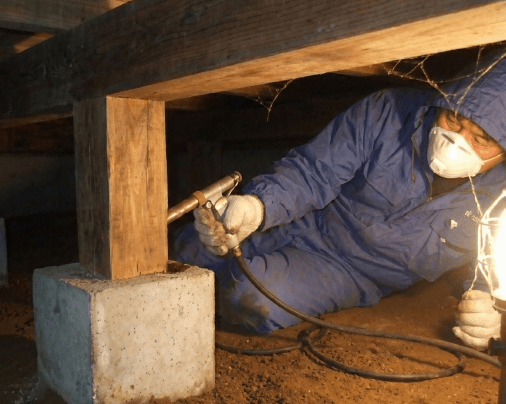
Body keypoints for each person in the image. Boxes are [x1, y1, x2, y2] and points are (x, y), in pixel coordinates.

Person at [173, 51, 506, 349]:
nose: (456, 141)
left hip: (350, 272)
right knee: (185, 253)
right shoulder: (389, 111)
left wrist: (491, 313)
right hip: (306, 217)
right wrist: (257, 207)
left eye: (481, 139)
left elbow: (489, 269)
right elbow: (314, 170)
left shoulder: (502, 196)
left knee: (248, 298)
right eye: (453, 119)